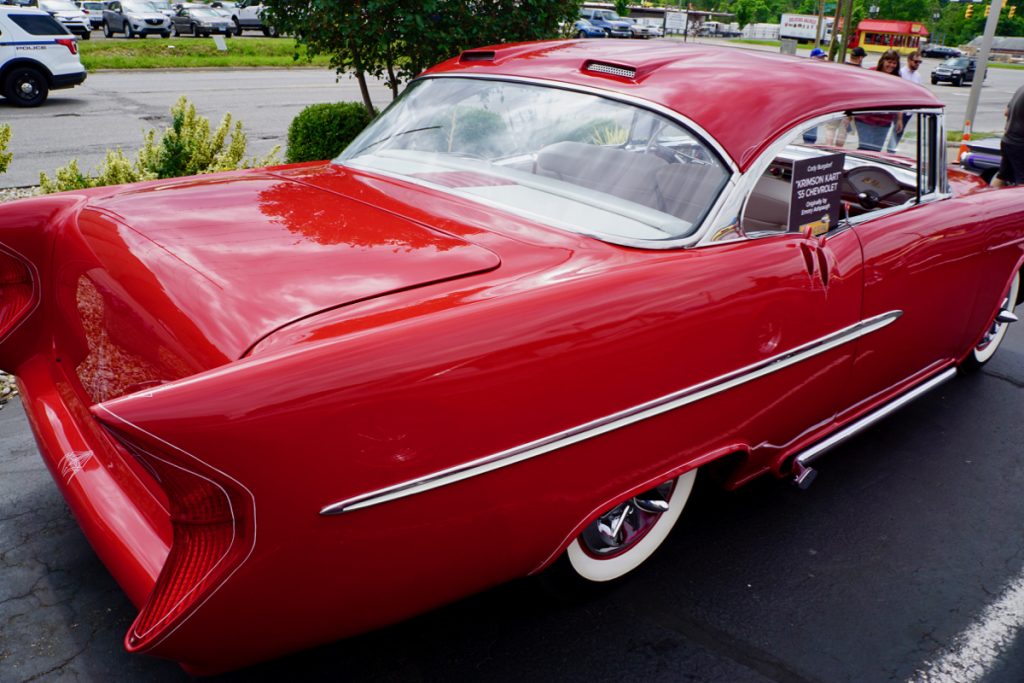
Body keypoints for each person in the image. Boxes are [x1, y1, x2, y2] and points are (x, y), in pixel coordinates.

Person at [855, 50, 902, 151]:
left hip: (885, 120)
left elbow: (900, 99)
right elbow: (860, 92)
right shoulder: (872, 72)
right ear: (883, 61)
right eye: (889, 62)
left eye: (894, 63)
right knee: (865, 148)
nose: (891, 65)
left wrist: (899, 119)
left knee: (876, 151)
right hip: (865, 118)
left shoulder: (897, 78)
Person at [992, 83, 1024, 186]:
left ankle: (989, 200)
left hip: (1008, 140)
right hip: (1020, 145)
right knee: (1022, 184)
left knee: (1002, 176)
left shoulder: (1021, 88)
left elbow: (1006, 112)